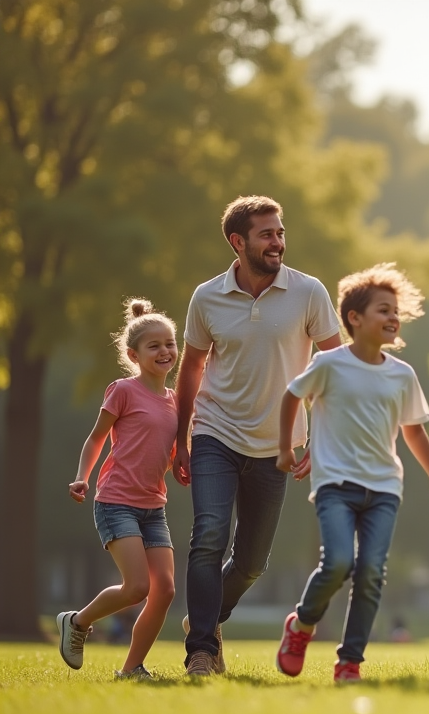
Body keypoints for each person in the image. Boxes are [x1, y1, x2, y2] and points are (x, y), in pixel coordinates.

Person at [173, 196, 342, 676]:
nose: (278, 242)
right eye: (267, 234)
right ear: (237, 241)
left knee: (250, 563)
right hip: (215, 432)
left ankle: (203, 618)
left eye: (280, 232)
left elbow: (336, 365)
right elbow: (192, 367)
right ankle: (202, 651)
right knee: (208, 536)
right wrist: (180, 435)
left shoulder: (308, 292)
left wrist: (324, 435)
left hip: (278, 445)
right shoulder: (207, 297)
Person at [273, 264, 429, 682]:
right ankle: (301, 625)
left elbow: (413, 430)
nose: (393, 318)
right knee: (337, 562)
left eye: (396, 312)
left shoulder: (401, 374)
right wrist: (286, 447)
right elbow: (291, 396)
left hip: (385, 488)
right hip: (335, 484)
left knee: (371, 572)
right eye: (382, 310)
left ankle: (349, 661)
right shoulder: (329, 364)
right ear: (354, 318)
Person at [56, 299, 179, 679]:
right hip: (116, 502)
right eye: (154, 346)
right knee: (138, 587)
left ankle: (131, 669)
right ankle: (77, 621)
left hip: (152, 506)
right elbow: (97, 439)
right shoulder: (123, 390)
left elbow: (166, 453)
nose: (164, 351)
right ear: (134, 354)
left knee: (166, 591)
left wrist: (182, 463)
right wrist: (83, 476)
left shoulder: (176, 401)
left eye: (170, 344)